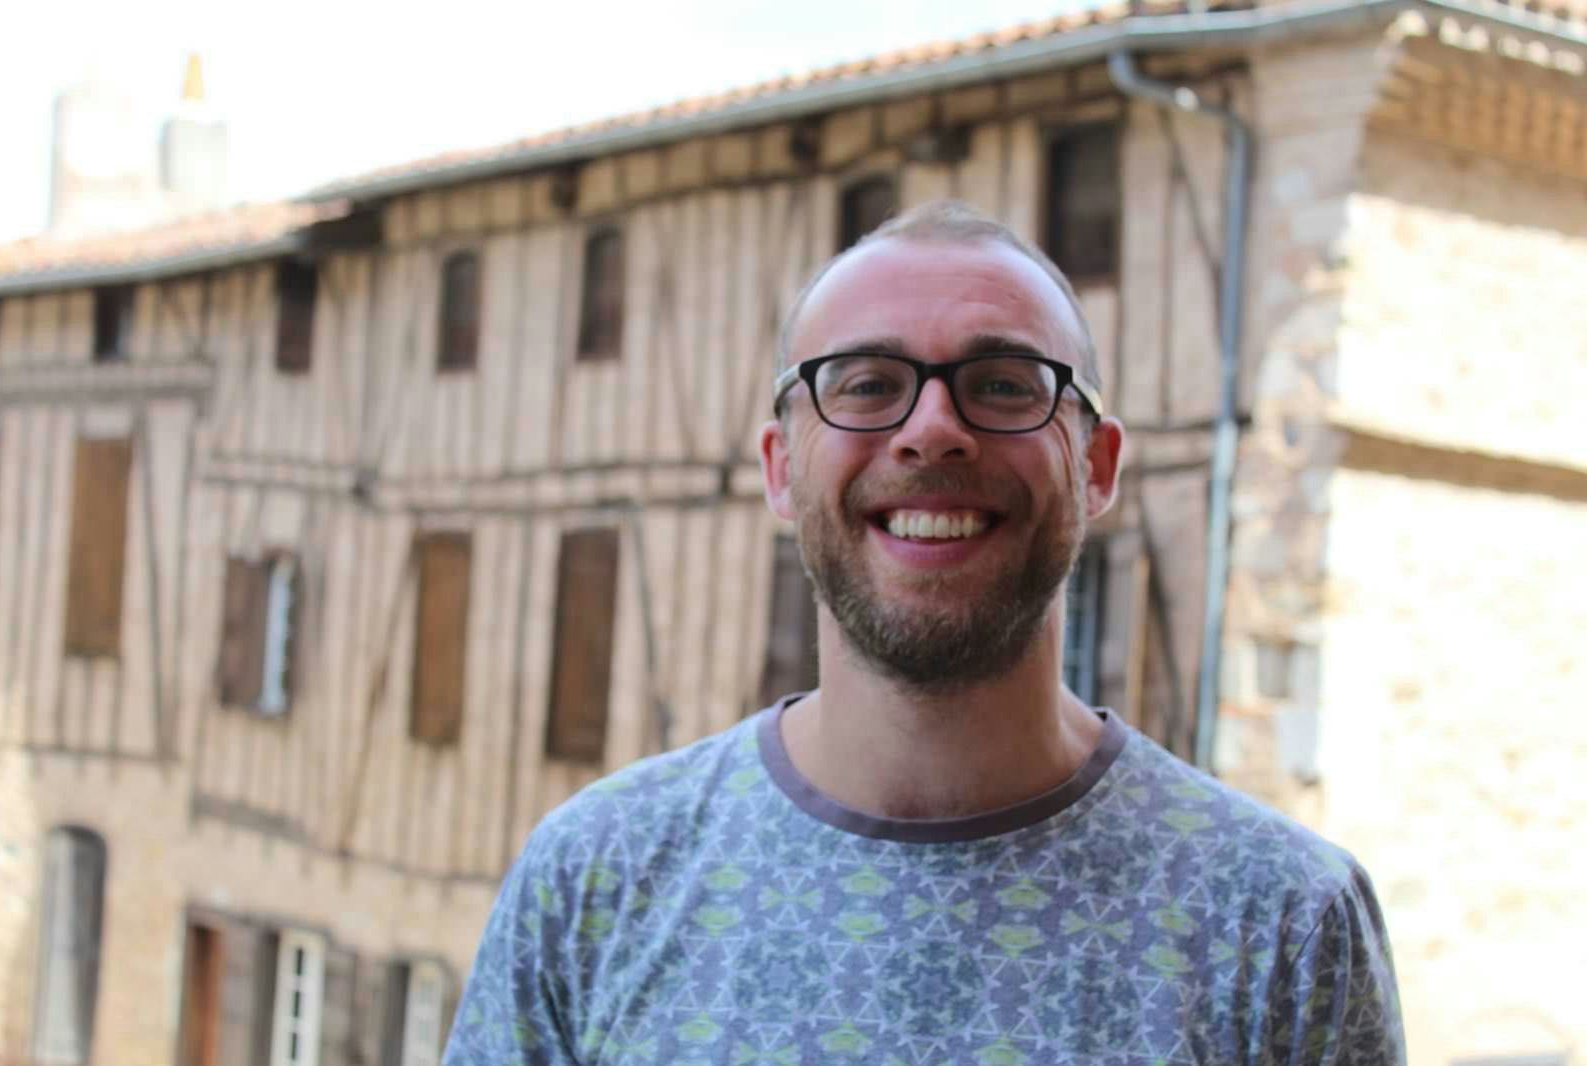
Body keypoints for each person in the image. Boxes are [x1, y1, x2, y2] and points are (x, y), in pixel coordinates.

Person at [443, 201, 1404, 1064]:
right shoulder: (594, 883)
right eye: (864, 384)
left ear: (1097, 466)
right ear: (782, 469)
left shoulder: (1279, 921)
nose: (933, 429)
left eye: (1004, 383)